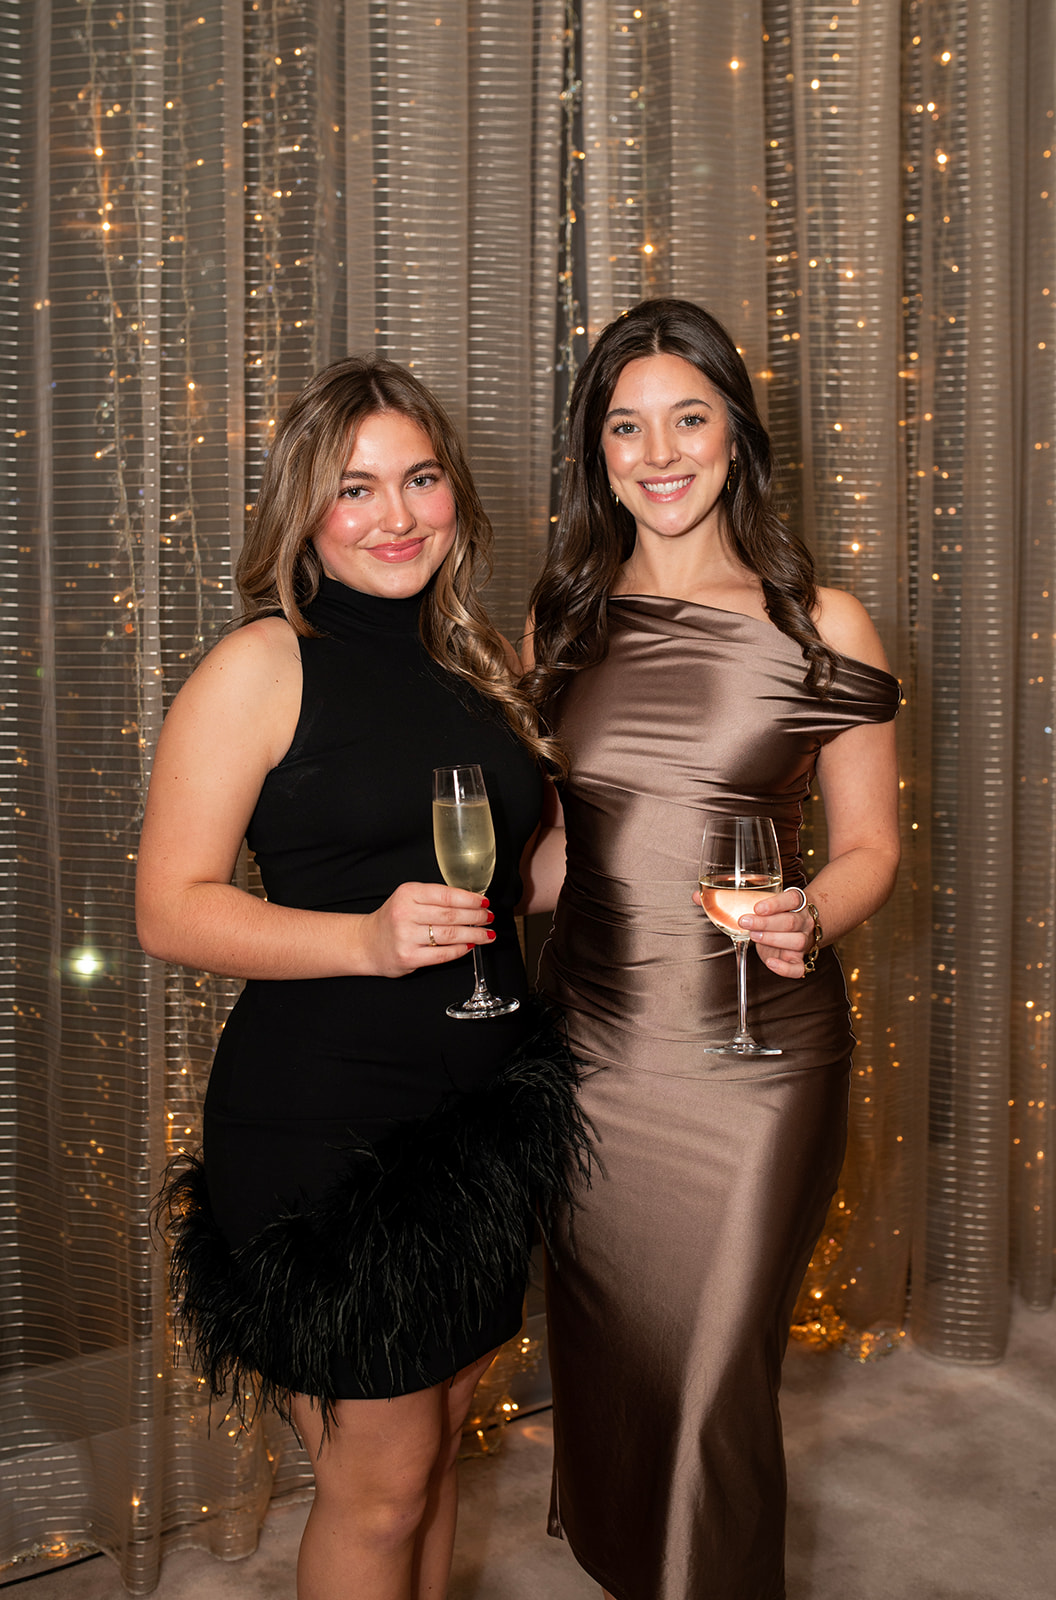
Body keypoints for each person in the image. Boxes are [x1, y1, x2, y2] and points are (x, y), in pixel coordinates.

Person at [135, 356, 587, 1600]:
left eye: (420, 479)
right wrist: (362, 939)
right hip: (325, 1133)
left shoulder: (475, 662)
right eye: (355, 489)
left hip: (481, 1126)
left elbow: (524, 880)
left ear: (454, 495)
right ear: (305, 513)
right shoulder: (262, 665)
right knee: (378, 1485)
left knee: (436, 1453)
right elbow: (169, 908)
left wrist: (677, 825)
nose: (395, 515)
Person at [523, 298, 901, 1600]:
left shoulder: (820, 623)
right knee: (622, 1373)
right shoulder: (561, 622)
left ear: (736, 433)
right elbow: (563, 857)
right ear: (596, 449)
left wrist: (813, 910)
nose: (659, 453)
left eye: (688, 418)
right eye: (625, 426)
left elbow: (871, 850)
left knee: (709, 1389)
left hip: (755, 1062)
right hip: (591, 1056)